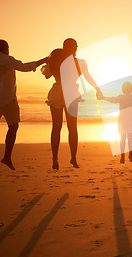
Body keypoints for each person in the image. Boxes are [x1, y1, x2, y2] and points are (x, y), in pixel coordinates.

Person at [0, 12, 48, 170]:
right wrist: (44, 60)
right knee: (13, 127)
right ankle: (6, 156)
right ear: (5, 49)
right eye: (8, 48)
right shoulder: (7, 59)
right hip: (7, 100)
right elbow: (25, 67)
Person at [42, 38, 103, 170]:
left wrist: (50, 61)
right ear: (75, 48)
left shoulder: (56, 59)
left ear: (64, 47)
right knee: (72, 128)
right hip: (71, 93)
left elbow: (46, 75)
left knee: (56, 127)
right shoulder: (80, 62)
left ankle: (55, 159)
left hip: (57, 92)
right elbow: (88, 77)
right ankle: (73, 158)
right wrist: (97, 89)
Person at [102, 82, 132, 164]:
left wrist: (104, 97)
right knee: (130, 138)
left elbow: (112, 99)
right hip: (130, 119)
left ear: (123, 90)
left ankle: (122, 157)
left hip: (122, 119)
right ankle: (130, 156)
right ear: (131, 89)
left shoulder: (121, 98)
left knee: (122, 139)